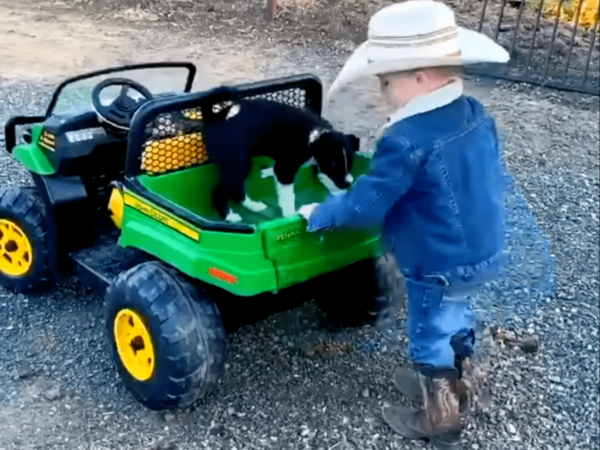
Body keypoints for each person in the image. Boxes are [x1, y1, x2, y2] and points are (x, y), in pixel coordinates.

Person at [298, 1, 511, 448]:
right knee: (458, 316)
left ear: (419, 78)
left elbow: (366, 206)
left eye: (387, 81)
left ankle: (440, 417)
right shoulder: (474, 113)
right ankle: (463, 386)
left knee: (430, 330)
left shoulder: (406, 140)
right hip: (483, 250)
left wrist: (322, 215)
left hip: (436, 259)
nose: (382, 90)